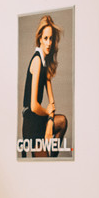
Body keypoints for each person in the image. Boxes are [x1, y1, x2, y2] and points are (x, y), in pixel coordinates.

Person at [19, 14, 61, 157]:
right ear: (39, 40)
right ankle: (49, 154)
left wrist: (50, 122)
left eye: (51, 39)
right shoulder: (37, 61)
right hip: (31, 122)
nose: (49, 43)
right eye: (45, 38)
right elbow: (34, 106)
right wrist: (49, 116)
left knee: (62, 122)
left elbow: (52, 103)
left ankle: (52, 153)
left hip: (40, 120)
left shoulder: (45, 62)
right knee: (44, 167)